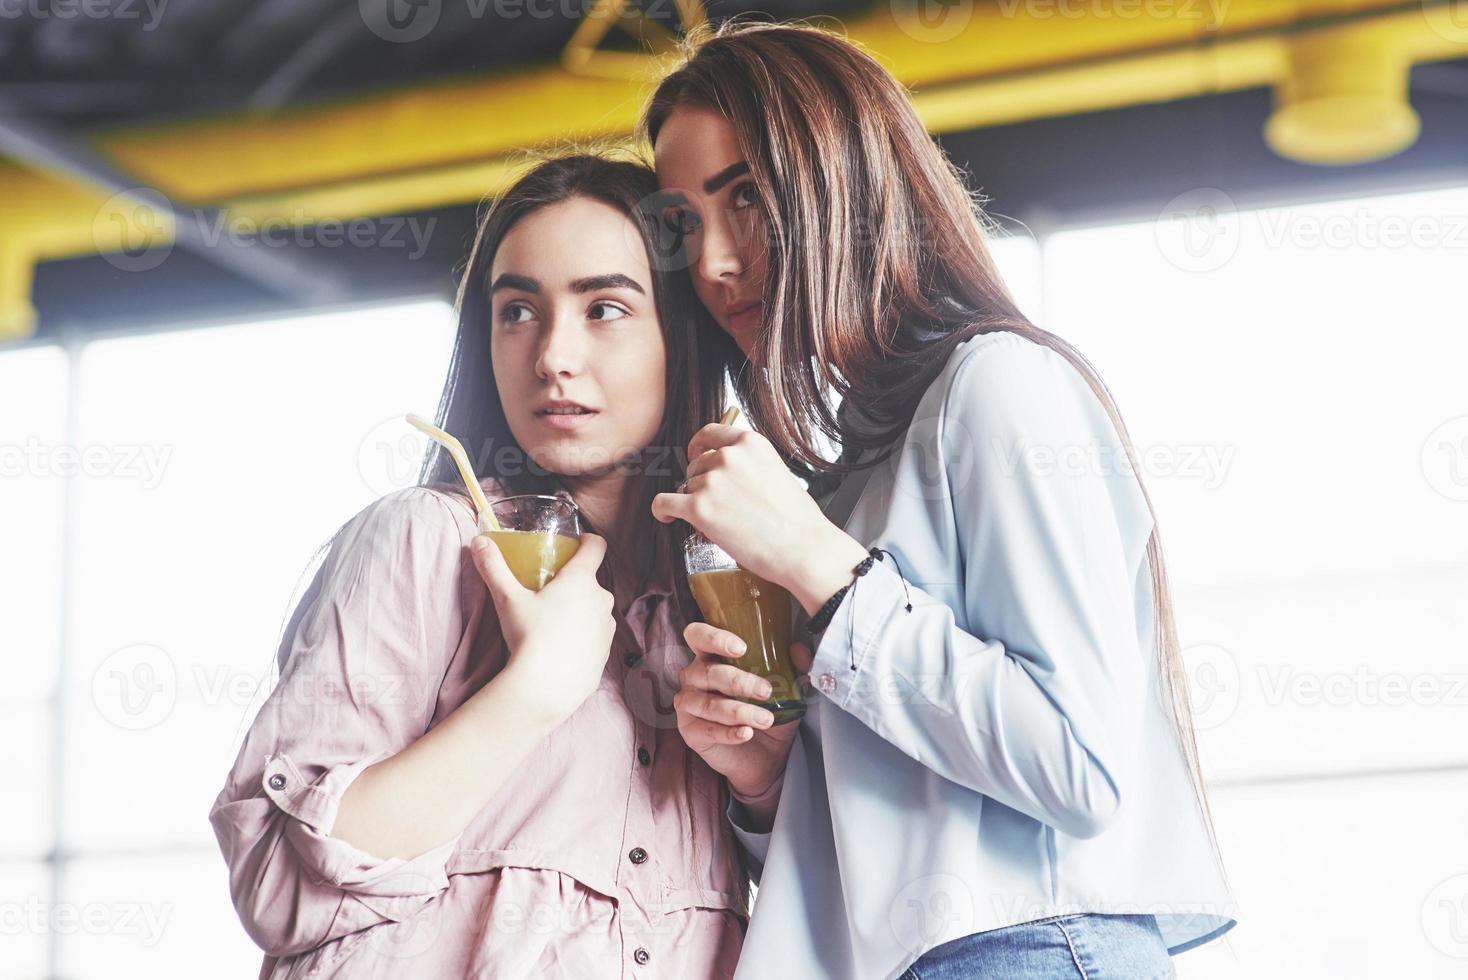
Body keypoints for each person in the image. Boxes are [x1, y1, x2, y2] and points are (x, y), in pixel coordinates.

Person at [643, 23, 1237, 980]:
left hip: (1030, 951)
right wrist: (763, 777)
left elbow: (1077, 765)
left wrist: (817, 565)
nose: (712, 260)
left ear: (843, 180)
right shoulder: (851, 480)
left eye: (746, 197)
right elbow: (900, 832)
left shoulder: (1001, 385)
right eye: (682, 223)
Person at [209, 153, 747, 978]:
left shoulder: (724, 600)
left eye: (605, 308)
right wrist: (529, 694)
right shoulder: (426, 542)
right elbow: (277, 887)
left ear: (680, 332)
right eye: (518, 312)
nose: (553, 356)